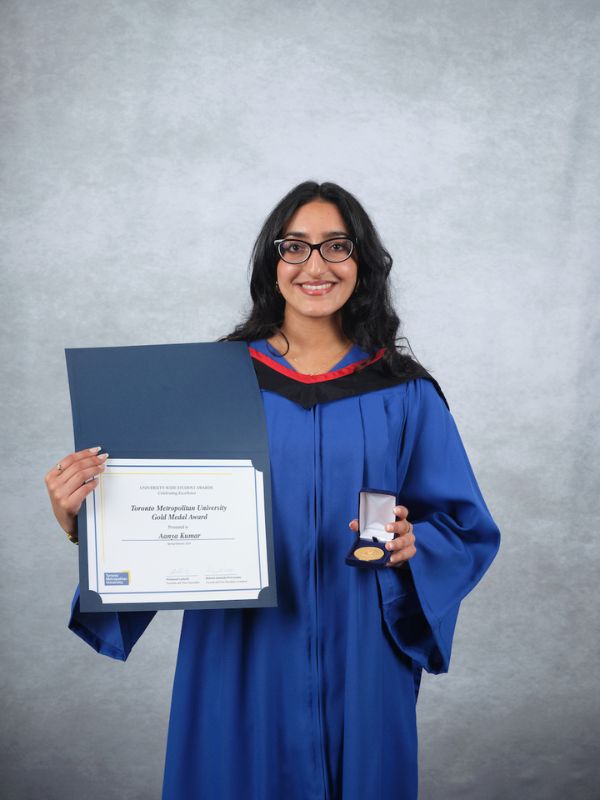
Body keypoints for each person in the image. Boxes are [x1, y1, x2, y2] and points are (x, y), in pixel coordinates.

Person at [45, 180, 501, 800]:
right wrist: (83, 522)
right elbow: (152, 520)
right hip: (239, 645)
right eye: (295, 247)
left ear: (361, 263)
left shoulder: (404, 392)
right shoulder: (213, 384)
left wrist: (412, 543)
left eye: (337, 247)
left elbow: (463, 526)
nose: (316, 265)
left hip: (360, 643)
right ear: (272, 263)